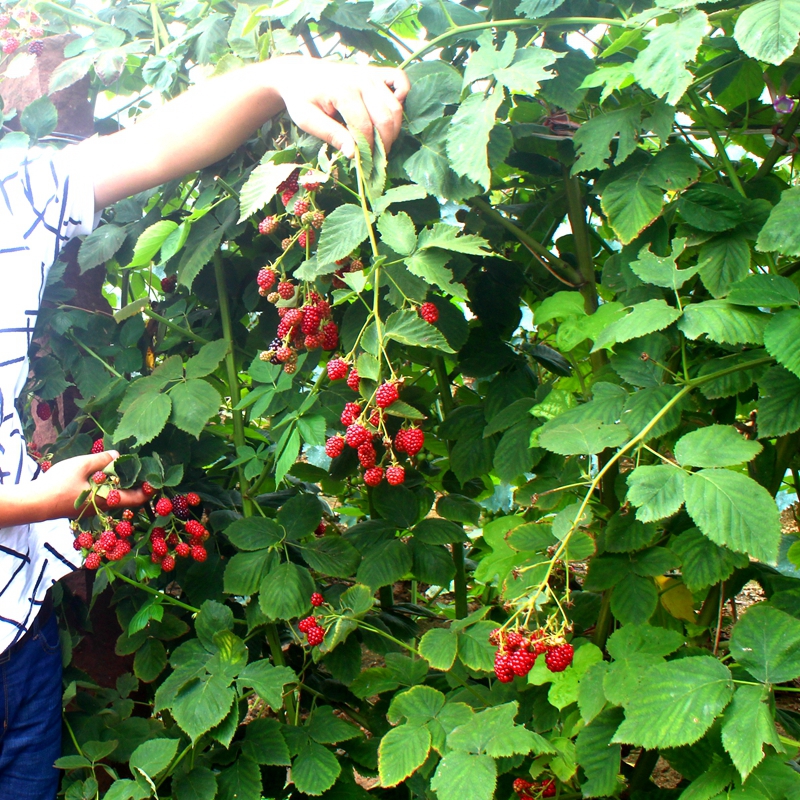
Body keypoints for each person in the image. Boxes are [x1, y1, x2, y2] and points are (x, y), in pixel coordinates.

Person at [0, 53, 410, 798]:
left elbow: (154, 146)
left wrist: (280, 78)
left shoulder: (10, 200)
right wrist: (34, 503)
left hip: (15, 623)